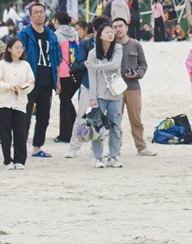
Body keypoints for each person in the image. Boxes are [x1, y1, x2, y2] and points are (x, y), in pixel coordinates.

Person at [18, 3, 60, 158]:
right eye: (36, 12)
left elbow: (56, 59)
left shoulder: (51, 35)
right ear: (30, 16)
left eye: (41, 12)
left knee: (44, 116)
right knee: (25, 116)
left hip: (47, 81)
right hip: (29, 81)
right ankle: (20, 147)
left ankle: (37, 147)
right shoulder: (24, 34)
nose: (39, 15)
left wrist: (58, 81)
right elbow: (17, 57)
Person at [111, 17, 156, 157]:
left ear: (126, 28)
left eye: (120, 26)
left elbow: (143, 64)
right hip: (115, 88)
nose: (118, 29)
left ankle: (141, 147)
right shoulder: (110, 45)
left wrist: (137, 74)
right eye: (115, 27)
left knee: (136, 119)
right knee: (115, 119)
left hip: (133, 86)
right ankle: (115, 148)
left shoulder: (136, 44)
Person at [86, 24, 125, 168]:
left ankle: (113, 156)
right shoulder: (92, 53)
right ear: (100, 35)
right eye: (107, 32)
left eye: (111, 32)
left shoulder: (118, 48)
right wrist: (92, 97)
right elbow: (92, 76)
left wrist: (95, 66)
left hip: (116, 93)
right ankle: (98, 158)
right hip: (99, 94)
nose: (110, 34)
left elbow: (115, 65)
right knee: (97, 127)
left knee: (116, 126)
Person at [66, 18, 103, 158]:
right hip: (87, 84)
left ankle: (96, 148)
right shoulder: (85, 44)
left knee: (100, 118)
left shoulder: (112, 45)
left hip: (103, 86)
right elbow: (80, 63)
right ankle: (74, 146)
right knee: (81, 116)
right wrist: (90, 62)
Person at [0, 37, 35, 169]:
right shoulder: (2, 64)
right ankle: (8, 160)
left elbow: (31, 82)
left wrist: (24, 87)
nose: (19, 49)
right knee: (5, 134)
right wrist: (8, 87)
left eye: (21, 47)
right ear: (9, 49)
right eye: (16, 47)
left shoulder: (26, 65)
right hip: (5, 103)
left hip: (21, 103)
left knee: (20, 133)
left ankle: (20, 160)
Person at [53, 10, 80, 144]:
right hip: (75, 70)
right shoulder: (74, 32)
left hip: (63, 72)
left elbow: (55, 54)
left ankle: (65, 135)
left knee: (64, 103)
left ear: (57, 21)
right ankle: (77, 129)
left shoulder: (56, 34)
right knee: (67, 101)